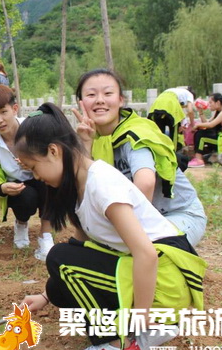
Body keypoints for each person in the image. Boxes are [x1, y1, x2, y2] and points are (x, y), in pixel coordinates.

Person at [17, 103, 206, 350]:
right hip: (156, 275)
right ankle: (153, 328)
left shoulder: (102, 184)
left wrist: (140, 315)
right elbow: (88, 251)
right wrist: (46, 295)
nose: (36, 176)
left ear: (54, 151)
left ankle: (120, 346)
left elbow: (146, 254)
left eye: (33, 167)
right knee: (62, 273)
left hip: (165, 278)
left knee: (60, 257)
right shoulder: (79, 184)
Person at [74, 69, 207, 247]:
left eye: (108, 93)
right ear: (80, 102)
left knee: (139, 253)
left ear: (120, 100)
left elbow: (145, 183)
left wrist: (124, 232)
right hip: (138, 217)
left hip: (178, 215)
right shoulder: (93, 138)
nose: (100, 100)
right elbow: (85, 193)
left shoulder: (135, 133)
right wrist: (85, 142)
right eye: (91, 94)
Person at [0, 85, 54, 260]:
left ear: (14, 109)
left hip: (42, 177)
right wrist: (3, 187)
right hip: (17, 185)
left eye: (3, 112)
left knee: (47, 185)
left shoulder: (33, 130)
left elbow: (54, 160)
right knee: (25, 198)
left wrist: (35, 165)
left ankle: (46, 235)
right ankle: (21, 222)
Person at [188, 93, 222, 168]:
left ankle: (199, 159)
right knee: (201, 132)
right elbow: (207, 124)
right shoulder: (219, 111)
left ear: (218, 102)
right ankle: (199, 157)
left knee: (201, 135)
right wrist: (200, 112)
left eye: (211, 102)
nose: (209, 105)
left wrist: (197, 125)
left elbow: (211, 125)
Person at [147, 86, 195, 152]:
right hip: (170, 107)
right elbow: (190, 111)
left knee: (159, 135)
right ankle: (173, 154)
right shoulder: (190, 95)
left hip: (156, 107)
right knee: (174, 136)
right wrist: (193, 125)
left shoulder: (173, 91)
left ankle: (159, 154)